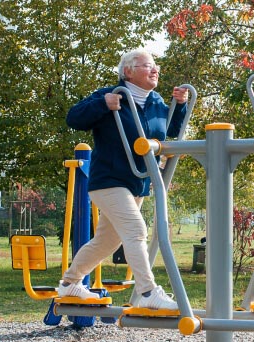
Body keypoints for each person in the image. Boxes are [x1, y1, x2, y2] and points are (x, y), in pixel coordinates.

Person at [59, 49, 189, 310]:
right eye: (147, 66)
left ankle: (69, 284)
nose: (155, 70)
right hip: (109, 180)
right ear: (127, 72)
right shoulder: (111, 95)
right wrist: (101, 104)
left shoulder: (155, 102)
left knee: (108, 241)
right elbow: (74, 118)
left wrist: (181, 104)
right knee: (136, 231)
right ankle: (147, 291)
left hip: (137, 182)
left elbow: (171, 129)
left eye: (155, 66)